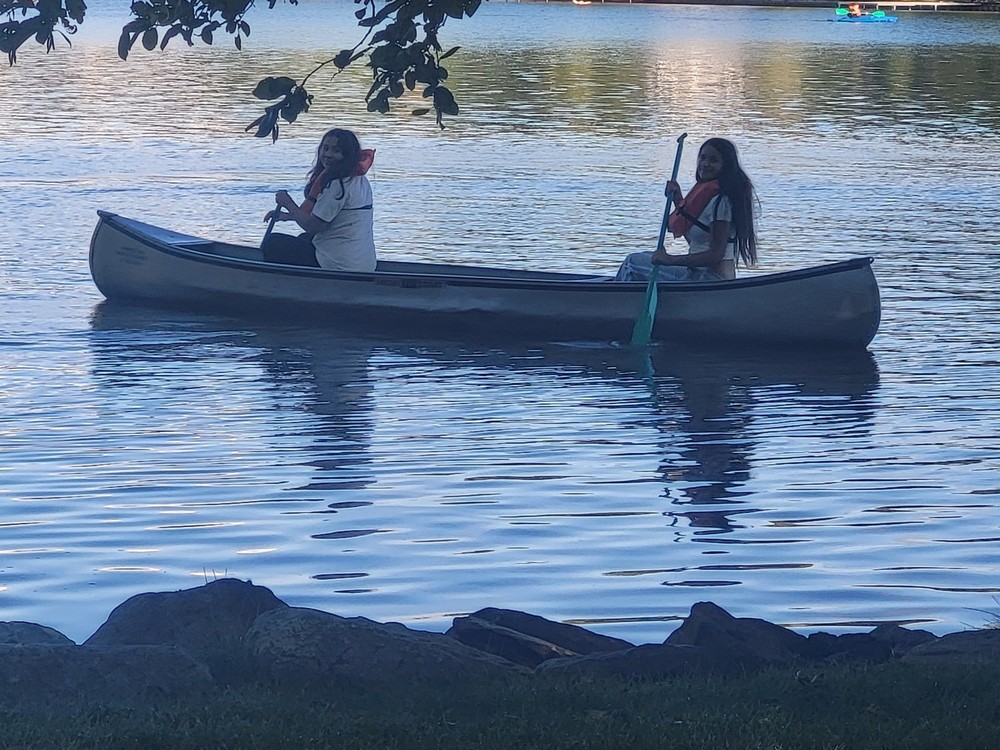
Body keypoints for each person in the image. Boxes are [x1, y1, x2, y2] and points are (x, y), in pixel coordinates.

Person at [615, 137, 758, 282]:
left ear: (725, 166)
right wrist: (678, 200)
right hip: (697, 274)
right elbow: (697, 243)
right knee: (646, 256)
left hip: (711, 278)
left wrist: (669, 260)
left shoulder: (722, 202)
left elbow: (715, 255)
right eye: (702, 158)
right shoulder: (710, 198)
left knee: (632, 263)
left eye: (713, 160)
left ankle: (615, 299)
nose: (705, 164)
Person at [262, 128, 376, 272]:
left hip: (338, 265)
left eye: (336, 151)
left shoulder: (338, 186)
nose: (327, 154)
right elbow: (331, 217)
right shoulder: (359, 180)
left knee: (273, 243)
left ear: (347, 155)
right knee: (305, 238)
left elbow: (314, 226)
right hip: (363, 264)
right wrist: (288, 217)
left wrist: (288, 203)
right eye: (325, 148)